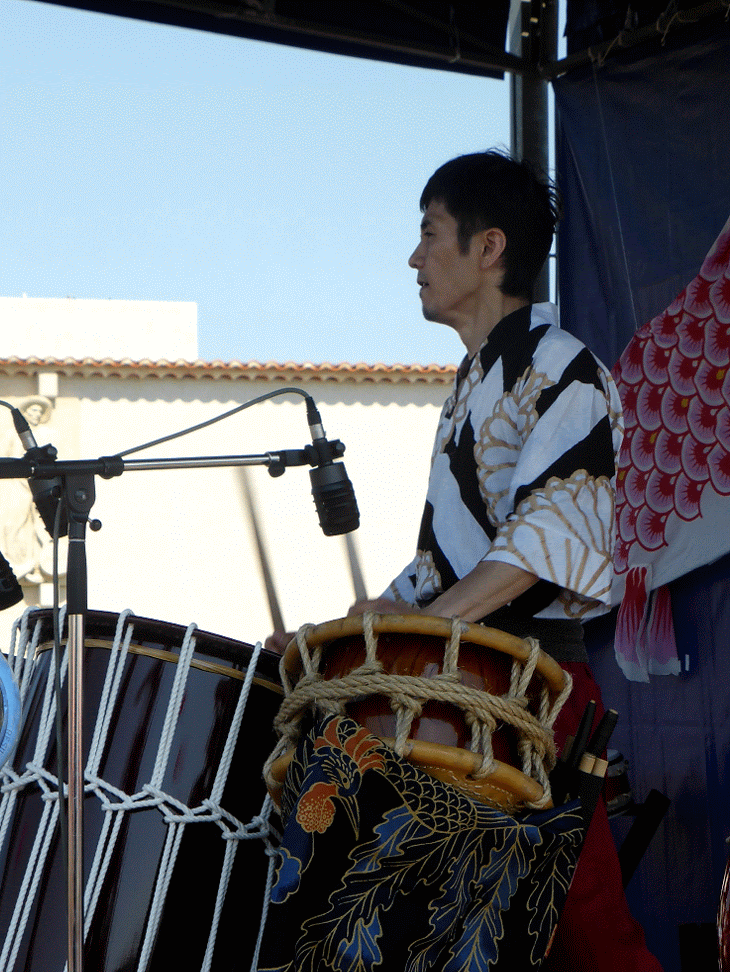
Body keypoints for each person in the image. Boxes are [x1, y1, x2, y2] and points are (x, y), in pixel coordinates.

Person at [268, 150, 661, 971]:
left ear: (488, 248)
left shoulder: (567, 372)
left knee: (580, 930)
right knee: (472, 934)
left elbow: (543, 542)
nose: (414, 258)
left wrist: (412, 634)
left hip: (529, 691)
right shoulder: (474, 383)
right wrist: (346, 634)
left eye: (429, 233)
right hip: (464, 682)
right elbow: (441, 566)